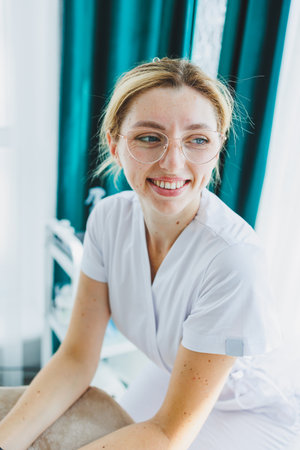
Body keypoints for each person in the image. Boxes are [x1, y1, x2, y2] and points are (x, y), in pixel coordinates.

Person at [0, 57, 299, 449]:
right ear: (115, 143)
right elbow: (75, 358)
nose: (174, 163)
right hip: (174, 370)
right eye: (148, 137)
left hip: (254, 410)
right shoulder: (108, 220)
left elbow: (168, 433)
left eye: (197, 139)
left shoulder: (232, 260)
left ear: (218, 146)